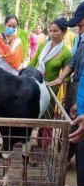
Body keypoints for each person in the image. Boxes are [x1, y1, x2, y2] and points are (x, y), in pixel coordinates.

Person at [47, 0, 84, 186]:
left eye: (81, 22)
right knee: (74, 132)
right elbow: (73, 63)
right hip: (78, 93)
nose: (78, 26)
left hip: (79, 94)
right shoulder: (81, 39)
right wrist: (60, 79)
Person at [28, 18, 72, 147]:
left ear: (64, 33)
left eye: (56, 31)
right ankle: (26, 141)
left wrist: (64, 95)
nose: (52, 33)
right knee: (30, 114)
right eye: (51, 31)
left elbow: (67, 76)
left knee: (47, 117)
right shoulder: (42, 45)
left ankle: (43, 145)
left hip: (50, 89)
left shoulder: (66, 53)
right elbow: (33, 62)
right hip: (34, 85)